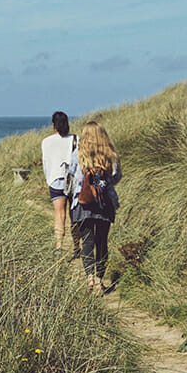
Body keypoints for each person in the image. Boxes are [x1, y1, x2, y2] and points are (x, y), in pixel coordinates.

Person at [69, 120, 122, 292]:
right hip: (104, 203)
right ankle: (100, 279)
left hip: (84, 202)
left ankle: (90, 278)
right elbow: (116, 177)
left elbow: (73, 174)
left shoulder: (78, 154)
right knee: (102, 241)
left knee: (87, 241)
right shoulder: (111, 155)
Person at [40, 111, 77, 252]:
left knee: (59, 213)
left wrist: (48, 179)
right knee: (74, 215)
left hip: (55, 179)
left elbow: (46, 162)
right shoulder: (75, 139)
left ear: (53, 124)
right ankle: (76, 246)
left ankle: (59, 245)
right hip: (72, 180)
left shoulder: (46, 141)